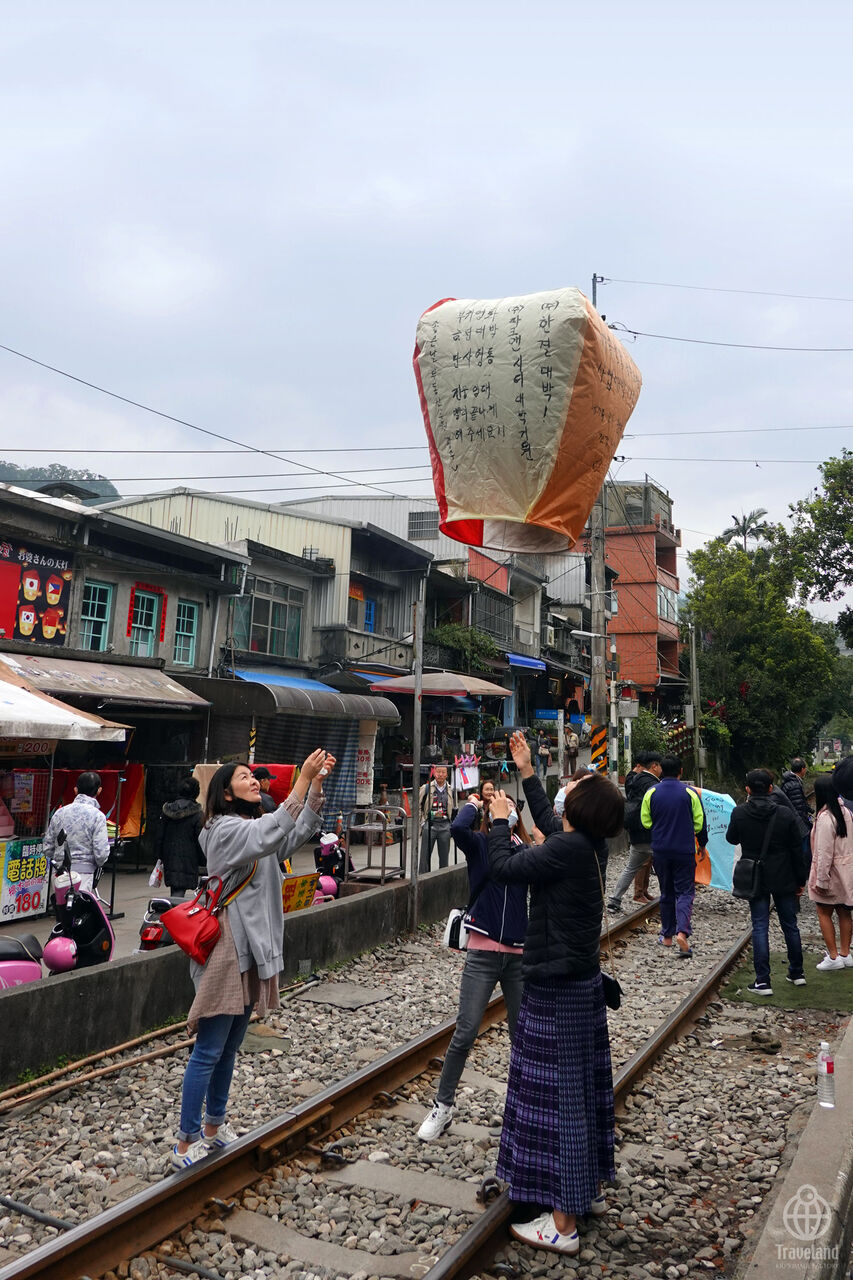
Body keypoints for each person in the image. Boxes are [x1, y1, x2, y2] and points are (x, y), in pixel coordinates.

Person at [486, 730, 624, 1257]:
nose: (568, 787)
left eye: (576, 784)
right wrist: (525, 773)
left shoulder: (567, 850)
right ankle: (577, 1192)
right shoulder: (584, 845)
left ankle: (562, 1222)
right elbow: (550, 823)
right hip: (576, 982)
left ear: (581, 806)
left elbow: (505, 867)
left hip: (557, 988)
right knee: (578, 1093)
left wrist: (500, 820)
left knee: (561, 1100)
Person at [172, 750, 334, 1169]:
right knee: (209, 1048)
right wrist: (302, 781)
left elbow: (290, 835)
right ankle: (185, 1143)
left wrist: (314, 786)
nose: (254, 781)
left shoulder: (252, 827)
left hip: (252, 949)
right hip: (227, 947)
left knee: (229, 1047)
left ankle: (214, 1125)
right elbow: (272, 830)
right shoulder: (222, 830)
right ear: (225, 793)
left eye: (254, 777)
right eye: (244, 777)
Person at [417, 790, 529, 1141]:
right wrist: (473, 803)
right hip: (481, 953)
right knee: (465, 1032)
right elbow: (457, 828)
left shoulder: (524, 851)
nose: (508, 809)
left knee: (521, 1036)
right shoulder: (480, 844)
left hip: (517, 956)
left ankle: (526, 1107)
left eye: (512, 805)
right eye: (503, 805)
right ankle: (443, 1106)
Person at [726, 768, 808, 992]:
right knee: (790, 925)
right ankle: (797, 972)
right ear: (771, 788)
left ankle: (763, 980)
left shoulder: (740, 813)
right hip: (784, 874)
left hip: (756, 876)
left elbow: (731, 837)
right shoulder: (784, 814)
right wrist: (801, 880)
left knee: (760, 925)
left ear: (748, 789)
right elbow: (796, 849)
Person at [640, 756, 707, 958]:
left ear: (660, 770)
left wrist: (661, 827)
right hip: (684, 850)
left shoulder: (651, 792)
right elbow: (699, 823)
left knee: (666, 892)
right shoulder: (690, 793)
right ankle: (682, 933)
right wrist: (702, 844)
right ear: (680, 771)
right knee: (685, 892)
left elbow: (645, 822)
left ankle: (667, 935)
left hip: (660, 850)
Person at [807, 773, 853, 970]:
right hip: (846, 872)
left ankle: (833, 957)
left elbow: (824, 853)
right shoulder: (846, 813)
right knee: (844, 912)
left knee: (823, 912)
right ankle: (845, 953)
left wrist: (821, 880)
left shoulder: (826, 818)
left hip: (830, 873)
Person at [607, 752, 662, 912]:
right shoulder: (652, 784)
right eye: (659, 766)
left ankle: (614, 900)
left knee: (631, 867)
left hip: (635, 831)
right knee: (665, 866)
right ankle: (670, 899)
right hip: (651, 832)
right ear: (654, 766)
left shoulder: (634, 779)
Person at [43, 771, 110, 893]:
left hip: (59, 875)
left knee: (62, 910)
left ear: (75, 790)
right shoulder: (98, 816)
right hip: (84, 874)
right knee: (80, 910)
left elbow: (47, 848)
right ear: (99, 790)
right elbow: (101, 854)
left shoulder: (59, 813)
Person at [157, 776, 205, 897]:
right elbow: (201, 840)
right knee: (179, 891)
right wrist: (203, 860)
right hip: (189, 857)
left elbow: (160, 836)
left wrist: (160, 855)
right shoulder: (197, 814)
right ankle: (175, 914)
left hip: (170, 856)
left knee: (176, 888)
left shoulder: (167, 811)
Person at [418, 764, 458, 872]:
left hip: (445, 825)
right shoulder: (426, 788)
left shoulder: (451, 790)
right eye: (438, 772)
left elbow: (455, 808)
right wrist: (422, 822)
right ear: (434, 773)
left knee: (444, 858)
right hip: (430, 824)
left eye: (443, 772)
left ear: (447, 774)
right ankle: (422, 880)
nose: (440, 774)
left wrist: (452, 825)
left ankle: (443, 881)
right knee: (424, 857)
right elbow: (418, 806)